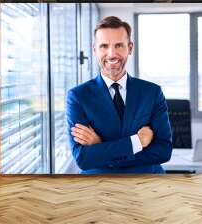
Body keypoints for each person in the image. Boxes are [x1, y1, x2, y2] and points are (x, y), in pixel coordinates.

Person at [66, 16, 172, 174]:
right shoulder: (78, 96)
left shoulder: (152, 92)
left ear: (130, 48)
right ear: (94, 49)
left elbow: (163, 151)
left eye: (119, 45)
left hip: (148, 185)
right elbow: (83, 159)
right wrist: (137, 142)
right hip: (98, 188)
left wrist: (101, 148)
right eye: (104, 46)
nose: (111, 54)